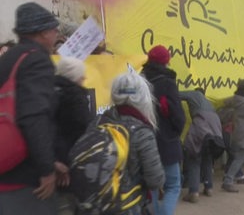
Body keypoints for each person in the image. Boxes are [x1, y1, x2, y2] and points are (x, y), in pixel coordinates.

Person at [0, 2, 63, 214]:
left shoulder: (9, 58)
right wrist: (46, 167)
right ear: (43, 32)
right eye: (54, 29)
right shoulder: (37, 61)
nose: (56, 34)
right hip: (24, 179)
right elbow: (34, 116)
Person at [106, 71, 165, 213]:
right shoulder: (141, 131)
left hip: (100, 202)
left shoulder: (100, 122)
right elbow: (155, 179)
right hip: (128, 205)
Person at [141, 45, 186, 215]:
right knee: (173, 185)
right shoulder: (167, 82)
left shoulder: (140, 80)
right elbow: (178, 117)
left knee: (151, 185)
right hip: (167, 142)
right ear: (166, 61)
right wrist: (176, 131)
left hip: (144, 141)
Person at [52, 56, 94, 214]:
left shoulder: (46, 92)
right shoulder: (76, 97)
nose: (84, 78)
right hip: (71, 164)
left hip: (50, 161)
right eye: (81, 74)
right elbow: (86, 129)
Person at [180, 88, 224, 203]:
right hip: (215, 126)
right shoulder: (208, 102)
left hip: (202, 123)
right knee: (207, 157)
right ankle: (209, 188)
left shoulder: (195, 94)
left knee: (194, 157)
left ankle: (194, 192)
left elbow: (177, 94)